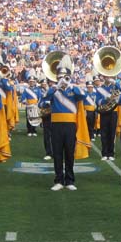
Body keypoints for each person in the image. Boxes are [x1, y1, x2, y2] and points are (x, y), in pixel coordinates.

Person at [39, 58, 90, 191]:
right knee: (57, 153)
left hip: (70, 125)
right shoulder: (53, 90)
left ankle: (69, 180)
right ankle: (58, 180)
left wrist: (71, 85)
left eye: (65, 77)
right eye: (60, 77)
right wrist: (54, 88)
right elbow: (41, 102)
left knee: (69, 152)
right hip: (56, 124)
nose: (62, 79)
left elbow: (83, 96)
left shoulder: (73, 90)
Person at [95, 75, 120, 161]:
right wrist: (106, 98)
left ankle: (111, 153)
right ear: (103, 77)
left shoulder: (115, 86)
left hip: (113, 112)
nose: (107, 78)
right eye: (106, 76)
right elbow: (97, 101)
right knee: (104, 133)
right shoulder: (100, 88)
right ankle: (104, 153)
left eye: (109, 76)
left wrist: (116, 83)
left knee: (112, 133)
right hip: (104, 112)